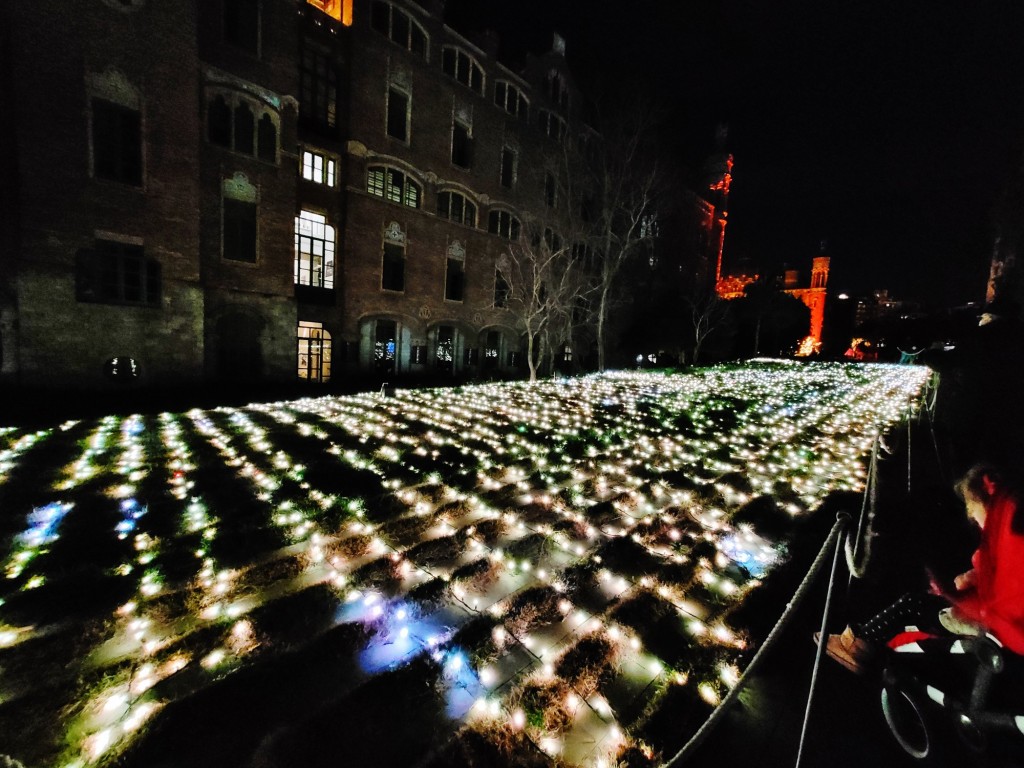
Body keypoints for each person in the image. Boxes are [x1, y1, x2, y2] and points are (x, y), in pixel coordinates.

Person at [821, 463, 1024, 674]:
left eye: (973, 511)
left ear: (980, 501)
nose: (974, 519)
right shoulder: (1006, 524)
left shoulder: (1004, 531)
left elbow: (997, 581)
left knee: (912, 605)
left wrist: (960, 587)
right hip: (998, 618)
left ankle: (859, 645)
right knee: (923, 609)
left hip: (998, 624)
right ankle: (869, 645)